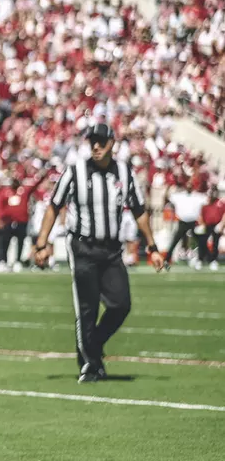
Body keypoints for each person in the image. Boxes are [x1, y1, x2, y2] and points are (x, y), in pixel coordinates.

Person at [33, 124, 166, 382]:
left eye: (101, 142)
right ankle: (92, 365)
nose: (95, 146)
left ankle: (93, 346)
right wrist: (41, 244)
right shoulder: (75, 172)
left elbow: (139, 210)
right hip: (82, 247)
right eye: (92, 141)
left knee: (121, 304)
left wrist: (152, 248)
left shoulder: (124, 172)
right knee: (87, 308)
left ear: (111, 144)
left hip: (111, 249)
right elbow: (53, 206)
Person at [165, 178, 209, 269]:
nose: (189, 187)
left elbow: (207, 200)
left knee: (201, 242)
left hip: (194, 222)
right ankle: (166, 260)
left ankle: (204, 260)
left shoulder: (197, 196)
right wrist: (169, 186)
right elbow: (168, 197)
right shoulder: (179, 196)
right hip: (183, 222)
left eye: (190, 186)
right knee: (174, 241)